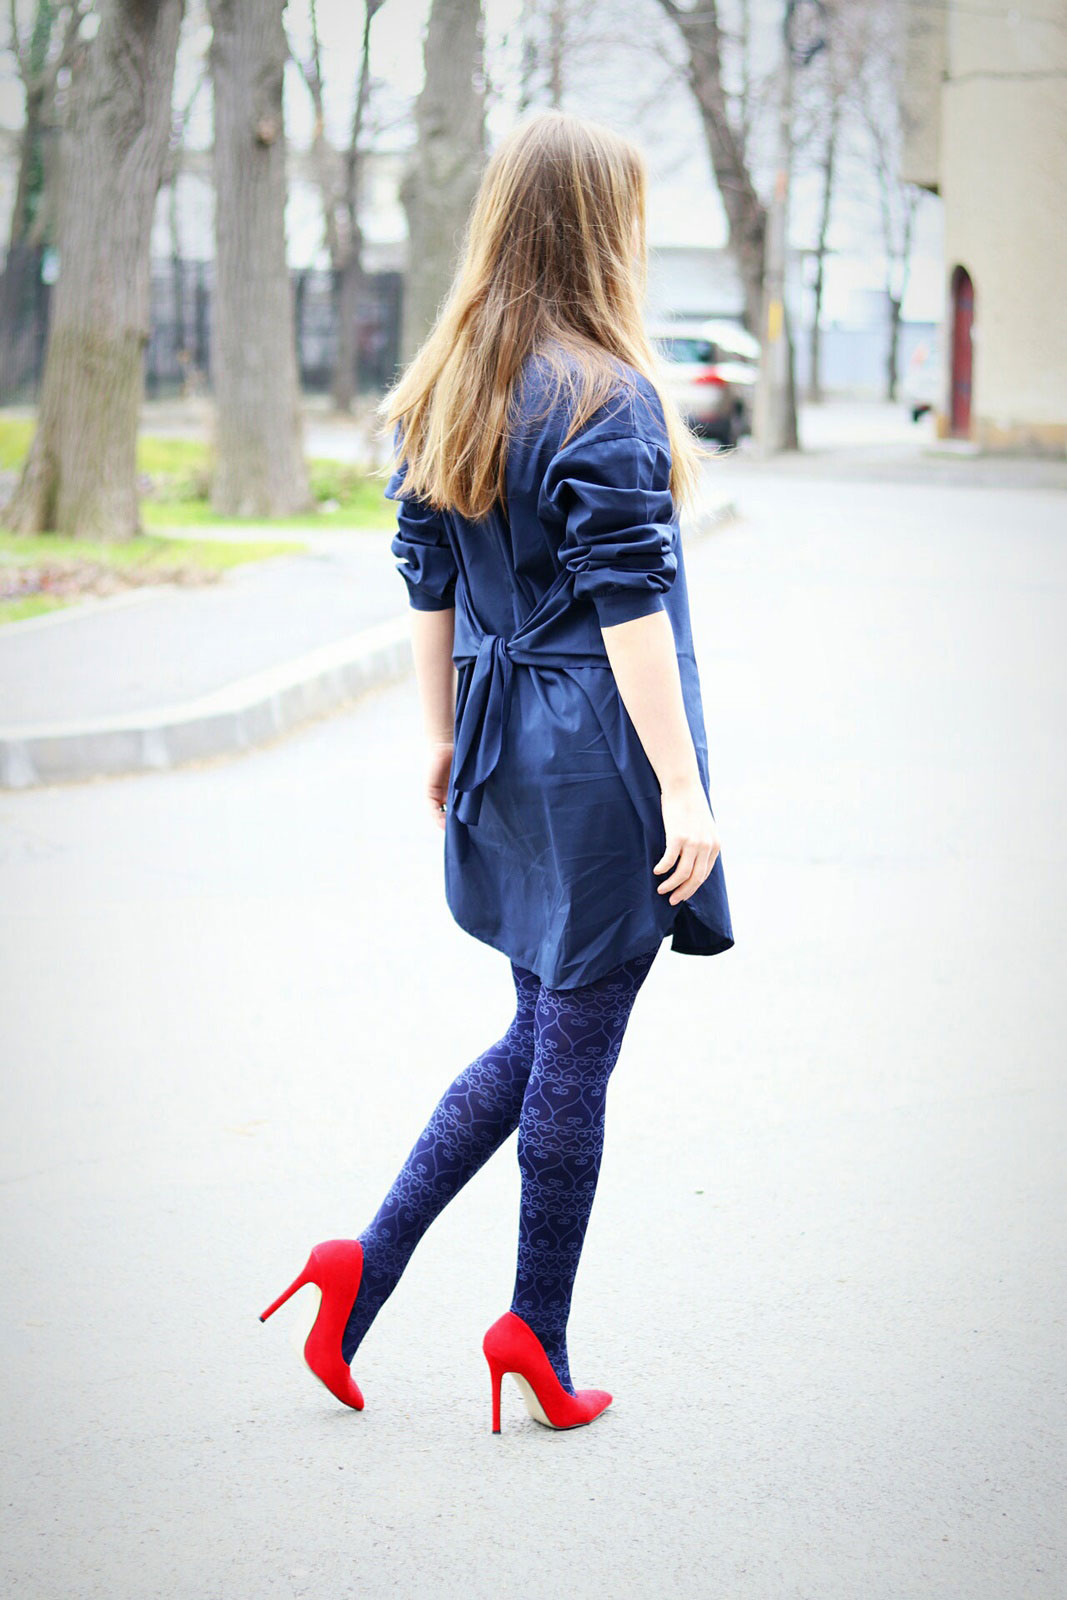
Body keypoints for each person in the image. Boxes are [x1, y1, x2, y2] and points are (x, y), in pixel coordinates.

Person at [260, 108, 734, 1434]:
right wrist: (683, 790)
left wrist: (441, 731)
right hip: (592, 756)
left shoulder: (447, 381)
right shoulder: (604, 395)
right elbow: (630, 612)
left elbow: (426, 581)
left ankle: (363, 1267)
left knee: (541, 1030)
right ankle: (535, 1329)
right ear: (601, 231)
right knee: (575, 1047)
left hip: (500, 736)